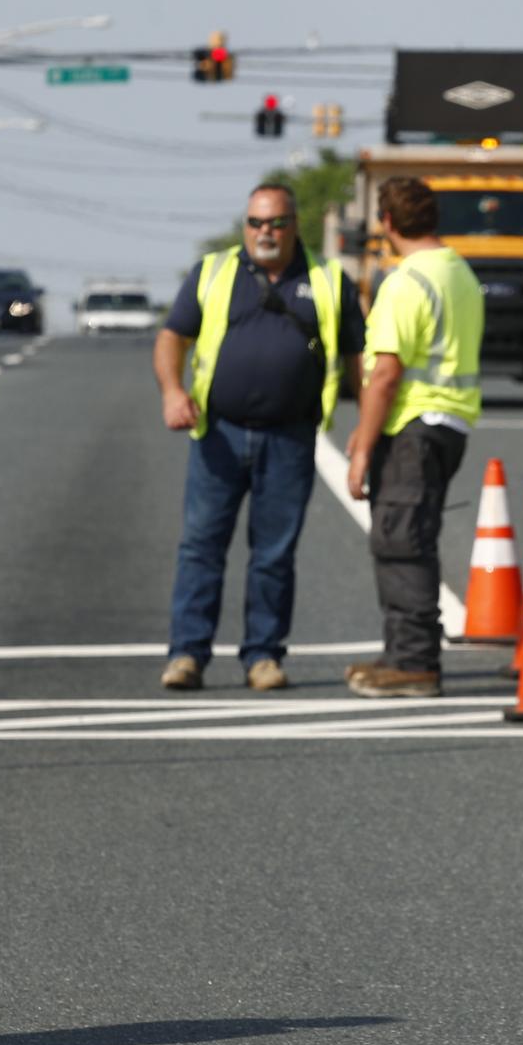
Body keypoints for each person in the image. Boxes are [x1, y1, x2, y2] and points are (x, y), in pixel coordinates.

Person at [153, 183, 362, 691]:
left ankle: (263, 656)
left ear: (295, 226)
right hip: (219, 434)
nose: (264, 232)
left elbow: (360, 356)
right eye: (255, 223)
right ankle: (187, 654)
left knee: (274, 553)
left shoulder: (330, 280)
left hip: (289, 438)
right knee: (201, 546)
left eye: (275, 223)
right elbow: (172, 337)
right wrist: (172, 392)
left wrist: (366, 432)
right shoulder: (213, 271)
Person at [344, 176, 485, 699]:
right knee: (410, 537)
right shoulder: (459, 273)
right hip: (450, 424)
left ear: (387, 224)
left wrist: (360, 446)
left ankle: (414, 662)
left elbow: (385, 374)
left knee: (400, 541)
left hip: (413, 426)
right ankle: (400, 652)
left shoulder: (407, 282)